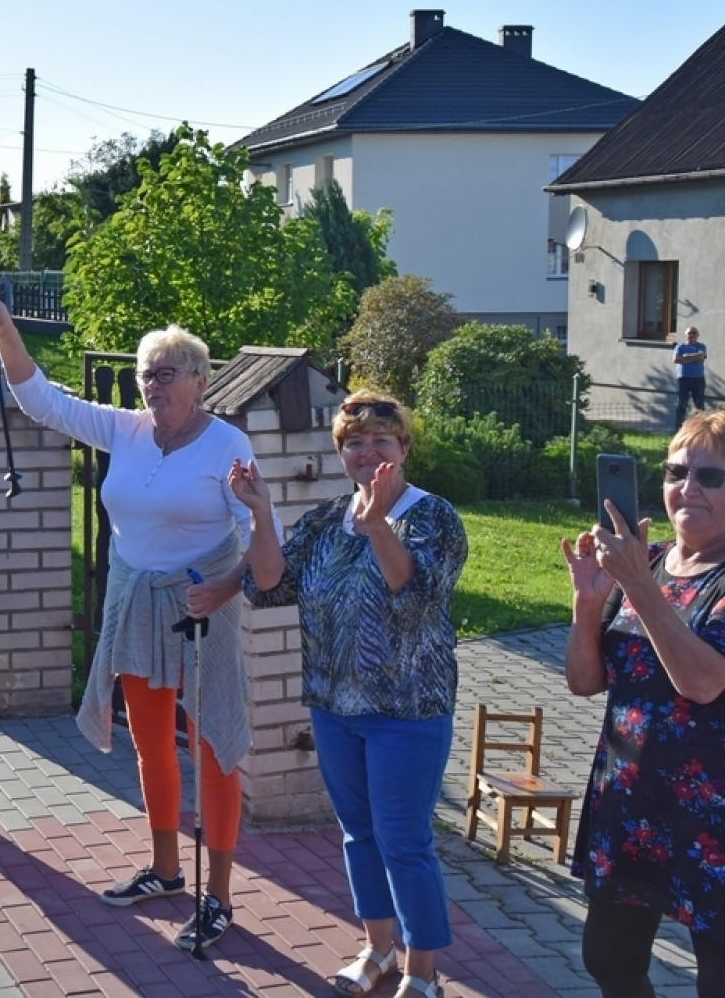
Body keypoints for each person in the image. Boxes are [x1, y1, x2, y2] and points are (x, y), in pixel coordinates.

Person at [0, 292, 261, 954]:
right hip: (135, 596)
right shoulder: (127, 429)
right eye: (145, 373)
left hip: (202, 599)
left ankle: (217, 896)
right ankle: (166, 869)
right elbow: (44, 403)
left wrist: (225, 587)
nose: (152, 383)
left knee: (215, 742)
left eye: (166, 372)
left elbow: (255, 530)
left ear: (199, 379)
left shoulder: (228, 443)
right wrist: (7, 333)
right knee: (151, 740)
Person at [231, 391, 467, 998]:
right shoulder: (325, 519)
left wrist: (378, 524)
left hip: (406, 713)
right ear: (341, 454)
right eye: (354, 443)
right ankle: (378, 947)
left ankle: (422, 972)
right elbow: (267, 587)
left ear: (404, 449)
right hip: (334, 709)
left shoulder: (433, 516)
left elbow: (412, 595)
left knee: (405, 842)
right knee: (359, 834)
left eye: (380, 441)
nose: (367, 452)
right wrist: (260, 512)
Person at [561, 410, 725, 997]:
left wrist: (638, 585)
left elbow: (703, 681)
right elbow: (585, 682)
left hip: (714, 812)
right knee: (609, 960)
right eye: (675, 471)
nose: (687, 488)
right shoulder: (652, 558)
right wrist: (588, 605)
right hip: (631, 799)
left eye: (711, 477)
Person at [674, 327, 707, 430]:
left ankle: (700, 428)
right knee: (681, 404)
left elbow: (701, 356)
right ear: (686, 334)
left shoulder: (701, 346)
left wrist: (686, 356)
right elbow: (676, 359)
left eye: (694, 333)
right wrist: (694, 358)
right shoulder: (680, 346)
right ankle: (679, 428)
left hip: (698, 379)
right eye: (689, 333)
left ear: (697, 335)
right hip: (683, 379)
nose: (691, 335)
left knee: (699, 404)